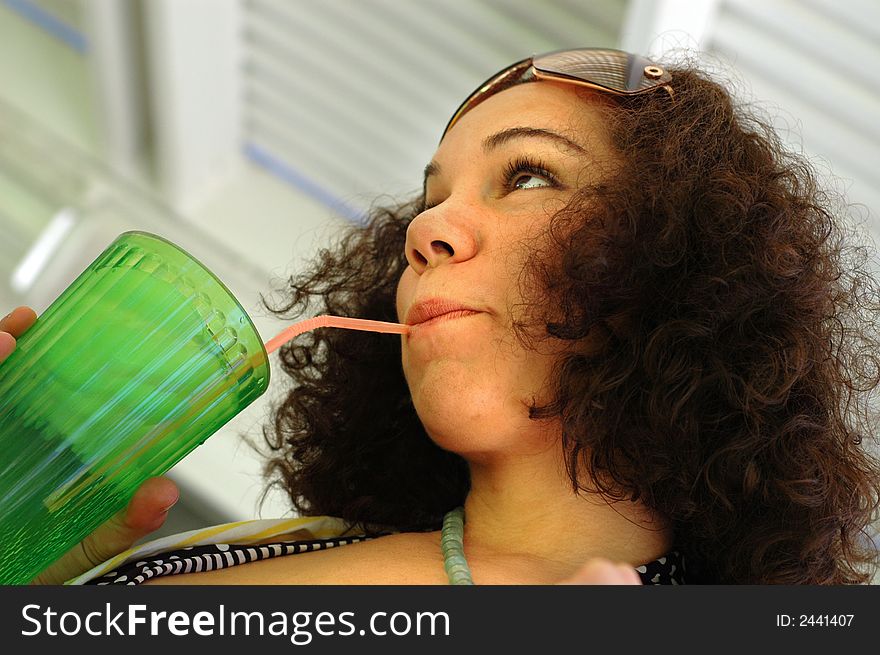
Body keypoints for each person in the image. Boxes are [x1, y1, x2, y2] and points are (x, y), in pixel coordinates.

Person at [9, 46, 880, 585]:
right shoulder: (318, 543)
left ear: (673, 261)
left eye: (529, 175)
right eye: (430, 199)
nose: (425, 228)